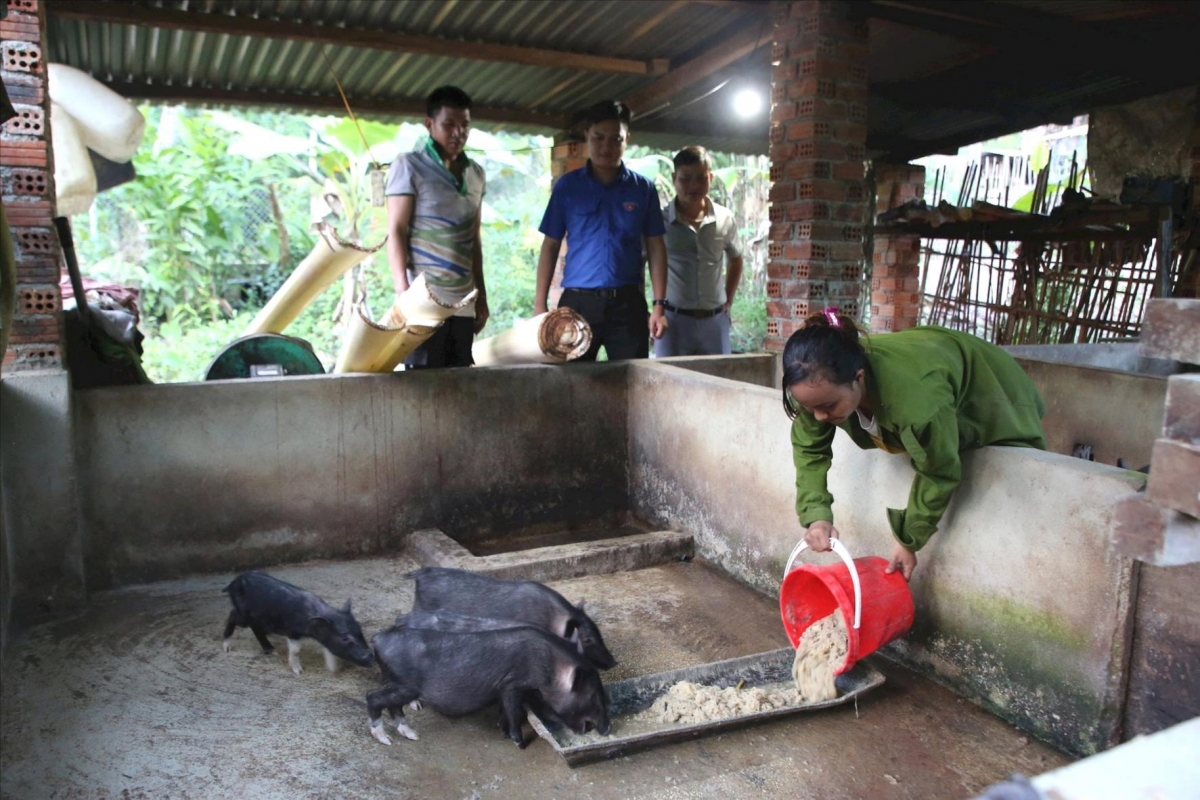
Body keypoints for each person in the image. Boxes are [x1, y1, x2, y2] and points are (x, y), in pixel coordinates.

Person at [784, 308, 1047, 580]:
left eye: (828, 406)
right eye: (809, 408)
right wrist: (817, 515)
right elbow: (809, 448)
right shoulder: (814, 385)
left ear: (858, 378)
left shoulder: (918, 405)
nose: (820, 417)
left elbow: (939, 469)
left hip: (993, 384)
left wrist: (909, 540)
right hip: (929, 360)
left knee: (977, 441)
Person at [534, 100, 668, 361]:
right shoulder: (568, 187)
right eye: (598, 138)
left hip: (628, 304)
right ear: (587, 135)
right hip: (577, 305)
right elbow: (550, 244)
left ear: (627, 139)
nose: (606, 147)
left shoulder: (643, 189)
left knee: (633, 380)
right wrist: (540, 304)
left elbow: (656, 247)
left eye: (615, 139)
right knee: (572, 384)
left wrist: (659, 305)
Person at [384, 85, 488, 368]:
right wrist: (403, 292)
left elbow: (473, 240)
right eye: (449, 124)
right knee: (423, 384)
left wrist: (481, 297)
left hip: (464, 300)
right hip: (423, 301)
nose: (458, 132)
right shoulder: (409, 166)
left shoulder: (476, 173)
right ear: (429, 124)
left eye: (465, 125)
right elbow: (396, 230)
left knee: (460, 383)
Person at [656, 145, 744, 357]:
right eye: (685, 178)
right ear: (674, 177)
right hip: (673, 321)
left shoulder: (724, 219)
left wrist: (729, 300)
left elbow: (736, 258)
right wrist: (651, 310)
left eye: (701, 178)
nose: (693, 186)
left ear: (710, 178)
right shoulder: (660, 222)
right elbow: (641, 263)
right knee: (668, 383)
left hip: (715, 322)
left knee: (719, 384)